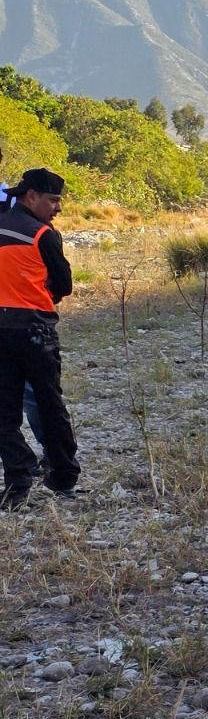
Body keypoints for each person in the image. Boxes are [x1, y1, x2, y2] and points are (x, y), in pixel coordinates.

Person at [0, 168, 81, 509]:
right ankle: (63, 477)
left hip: (2, 331)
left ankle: (17, 482)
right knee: (50, 406)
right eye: (53, 200)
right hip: (36, 332)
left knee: (4, 415)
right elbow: (64, 286)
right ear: (30, 196)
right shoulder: (43, 234)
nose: (58, 207)